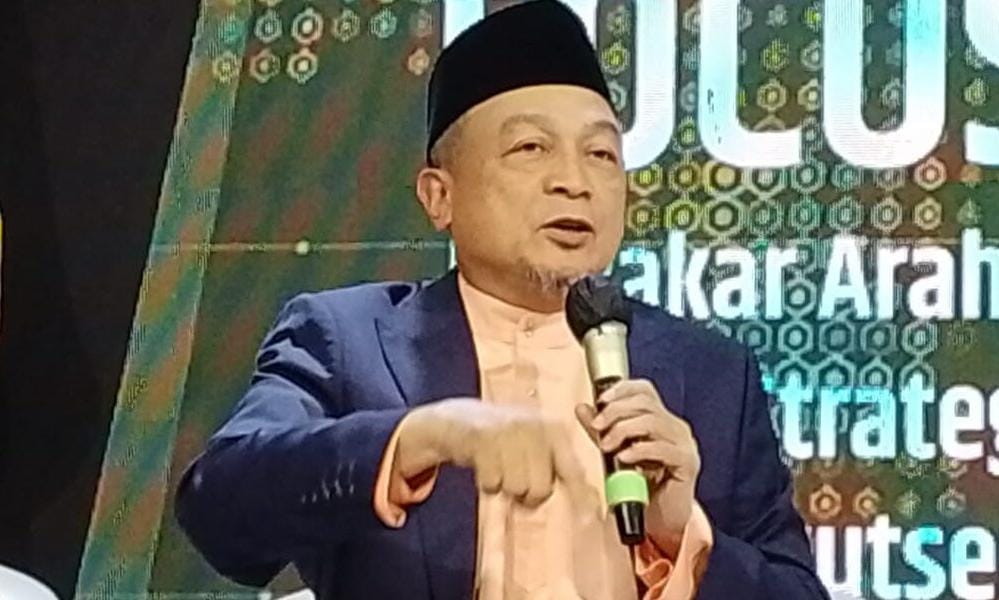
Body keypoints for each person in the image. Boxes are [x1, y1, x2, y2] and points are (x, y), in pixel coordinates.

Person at [175, 2, 829, 598]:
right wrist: (413, 439)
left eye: (601, 154)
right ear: (440, 197)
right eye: (530, 148)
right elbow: (217, 507)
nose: (574, 181)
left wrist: (683, 533)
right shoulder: (347, 339)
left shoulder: (711, 373)